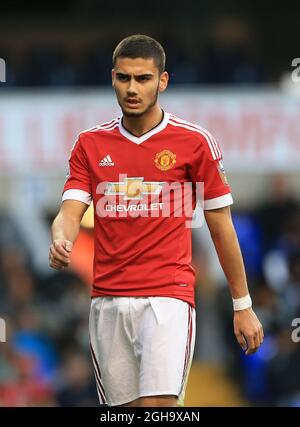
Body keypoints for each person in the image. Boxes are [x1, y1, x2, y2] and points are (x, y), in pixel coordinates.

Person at [49, 34, 264, 407]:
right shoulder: (89, 144)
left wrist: (242, 304)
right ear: (113, 77)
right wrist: (60, 239)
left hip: (168, 298)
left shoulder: (195, 142)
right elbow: (69, 212)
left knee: (159, 410)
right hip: (108, 302)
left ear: (162, 81)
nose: (133, 88)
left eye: (143, 78)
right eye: (124, 78)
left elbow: (221, 227)